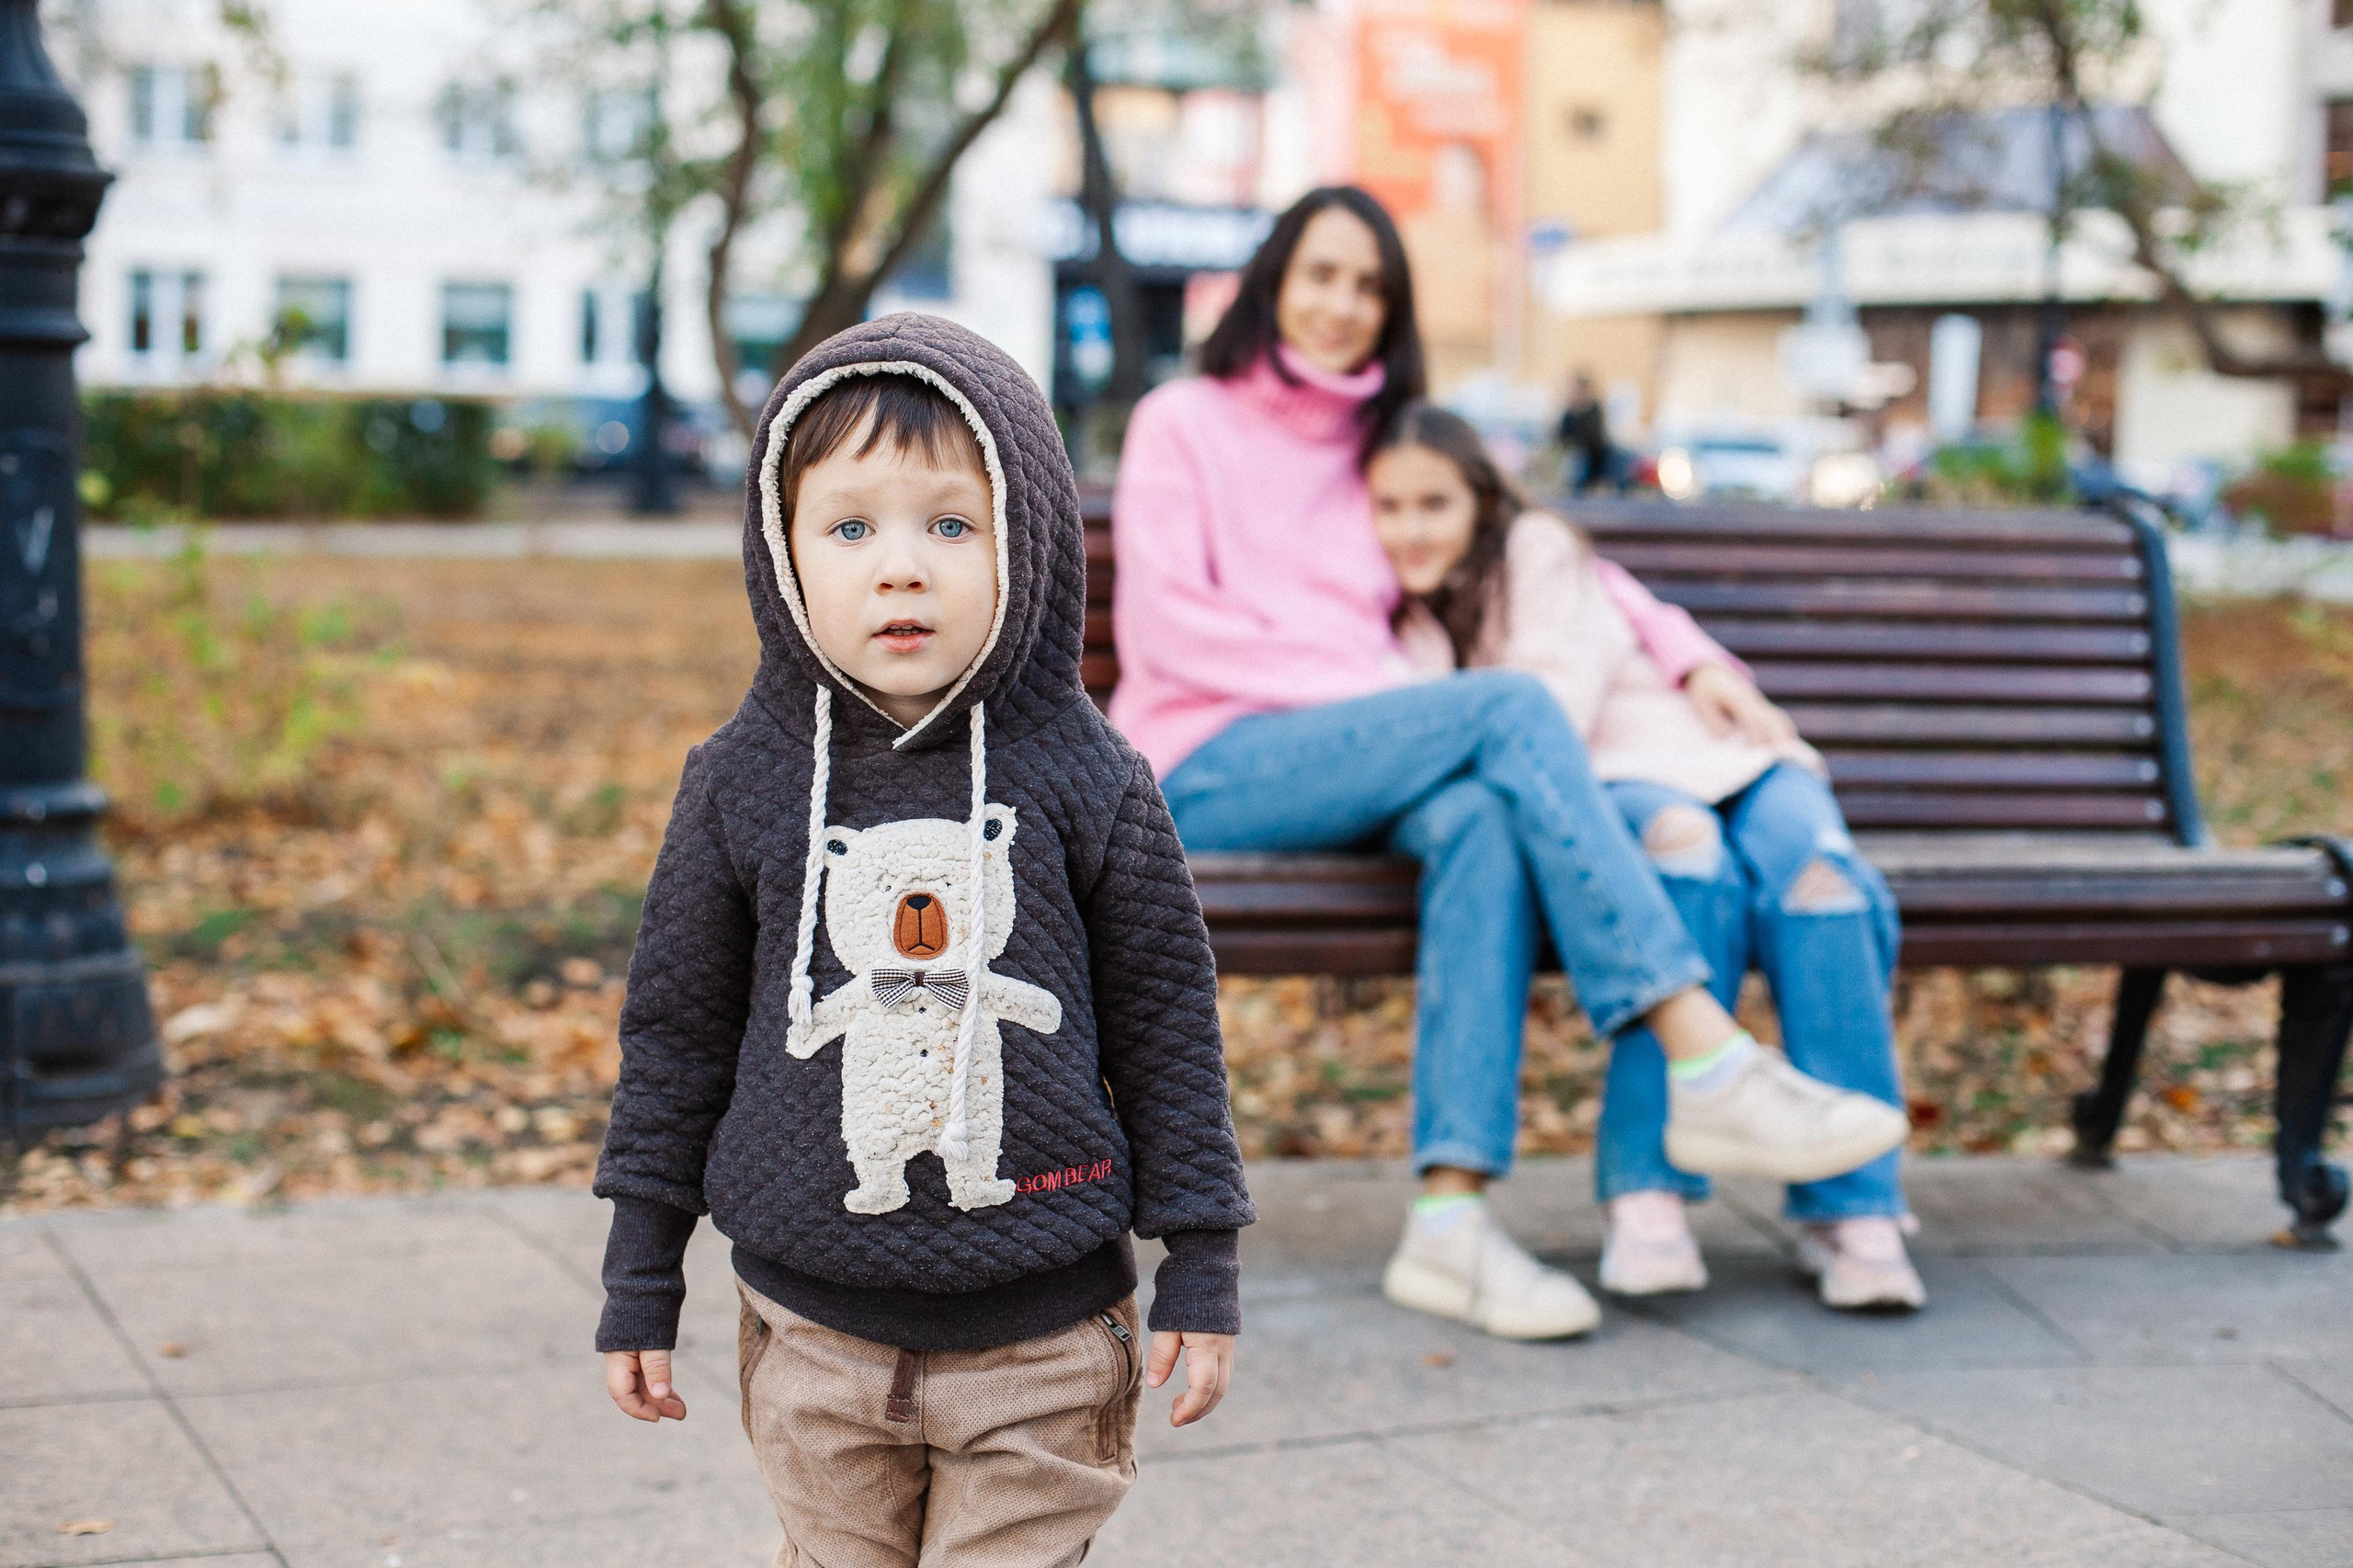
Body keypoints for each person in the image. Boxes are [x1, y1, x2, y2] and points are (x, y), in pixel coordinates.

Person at [1108, 185, 1907, 1343]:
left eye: (1368, 285)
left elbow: (1550, 550)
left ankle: (1448, 1223)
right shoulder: (1184, 418)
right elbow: (1175, 632)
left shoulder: (1386, 437)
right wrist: (1408, 703)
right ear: (1274, 279)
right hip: (1210, 757)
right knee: (1505, 714)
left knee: (1485, 809)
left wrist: (1689, 656)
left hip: (1368, 754)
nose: (1341, 304)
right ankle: (1707, 1057)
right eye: (1320, 273)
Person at [593, 314, 1256, 1567]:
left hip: (1045, 1344)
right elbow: (674, 1036)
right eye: (851, 527)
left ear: (1034, 541)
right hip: (813, 1338)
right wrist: (641, 1271)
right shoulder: (740, 781)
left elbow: (1170, 1028)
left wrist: (1202, 1264)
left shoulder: (1089, 778)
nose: (901, 569)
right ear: (780, 552)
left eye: (952, 525)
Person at [1365, 400, 1926, 1312]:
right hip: (1623, 783)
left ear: (1478, 500)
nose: (1410, 528)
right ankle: (1647, 1189)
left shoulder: (1536, 548)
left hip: (1722, 751)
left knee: (1826, 890)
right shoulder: (1406, 625)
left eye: (1432, 503)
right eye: (1388, 508)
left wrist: (1705, 666)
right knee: (1684, 857)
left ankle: (1856, 1202)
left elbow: (1553, 704)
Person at [1558, 369, 1616, 494]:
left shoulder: (1594, 410)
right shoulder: (1569, 413)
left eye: (1576, 390)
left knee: (1580, 457)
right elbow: (1560, 437)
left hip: (1594, 458)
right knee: (1574, 457)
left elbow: (1594, 438)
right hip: (1575, 457)